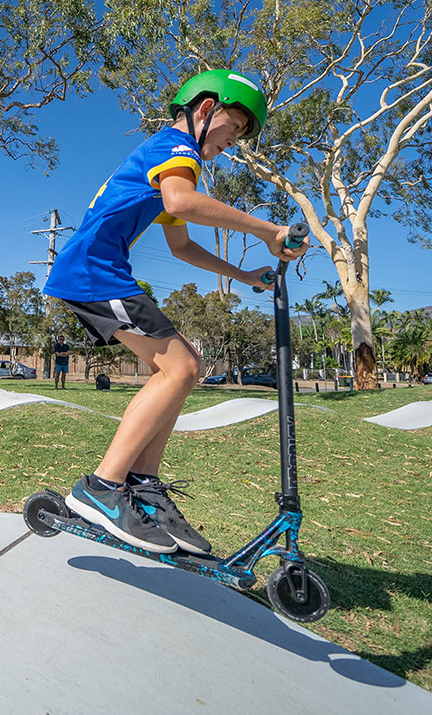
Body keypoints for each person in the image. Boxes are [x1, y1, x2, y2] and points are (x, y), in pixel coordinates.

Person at [41, 69, 308, 555]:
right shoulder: (174, 149)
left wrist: (244, 276)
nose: (232, 142)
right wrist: (268, 230)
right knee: (180, 366)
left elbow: (182, 244)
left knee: (186, 367)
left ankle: (142, 487)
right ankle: (102, 487)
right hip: (92, 271)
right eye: (234, 128)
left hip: (99, 269)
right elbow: (183, 201)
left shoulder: (168, 164)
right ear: (205, 109)